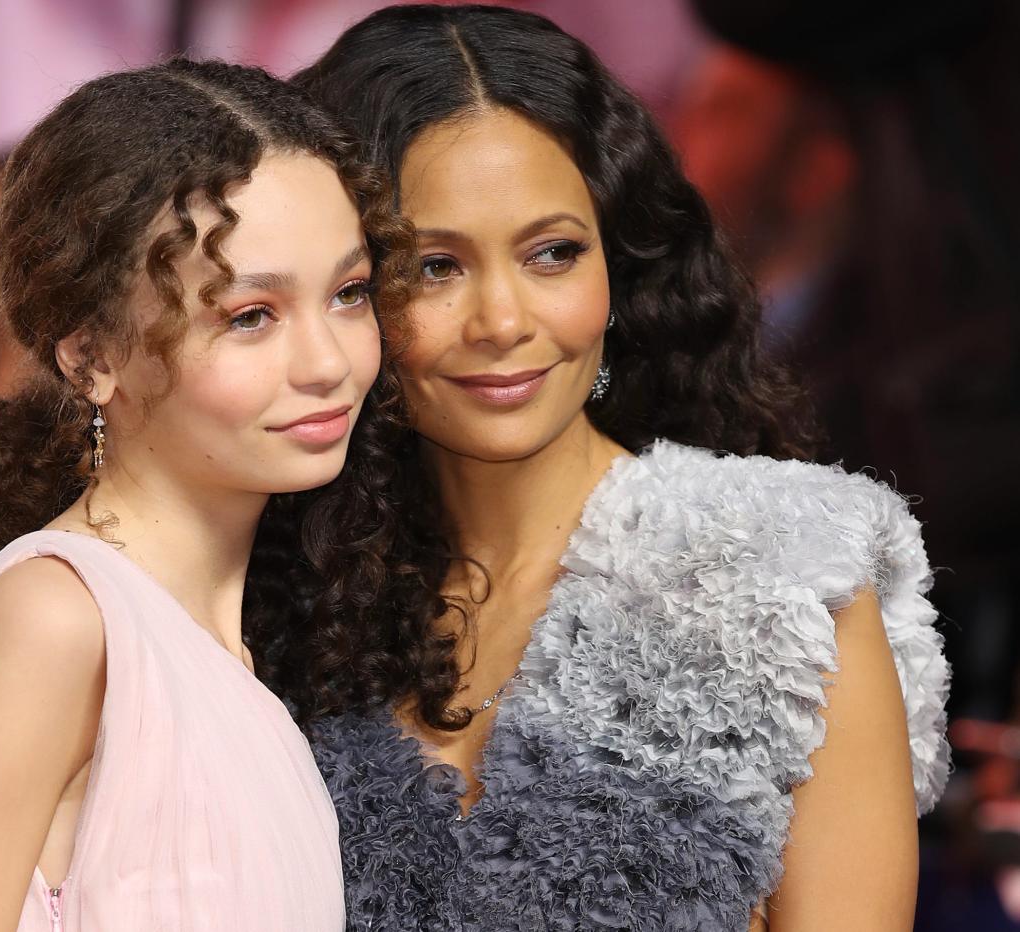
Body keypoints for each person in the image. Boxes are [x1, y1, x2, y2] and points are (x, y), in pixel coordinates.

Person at [284, 5, 951, 930]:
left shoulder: (787, 573)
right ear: (342, 293)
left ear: (619, 266)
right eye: (434, 266)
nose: (503, 321)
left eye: (552, 253)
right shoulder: (279, 608)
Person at [0, 57, 413, 930]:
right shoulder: (57, 622)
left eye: (349, 293)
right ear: (92, 357)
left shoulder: (215, 640)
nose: (329, 363)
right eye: (251, 315)